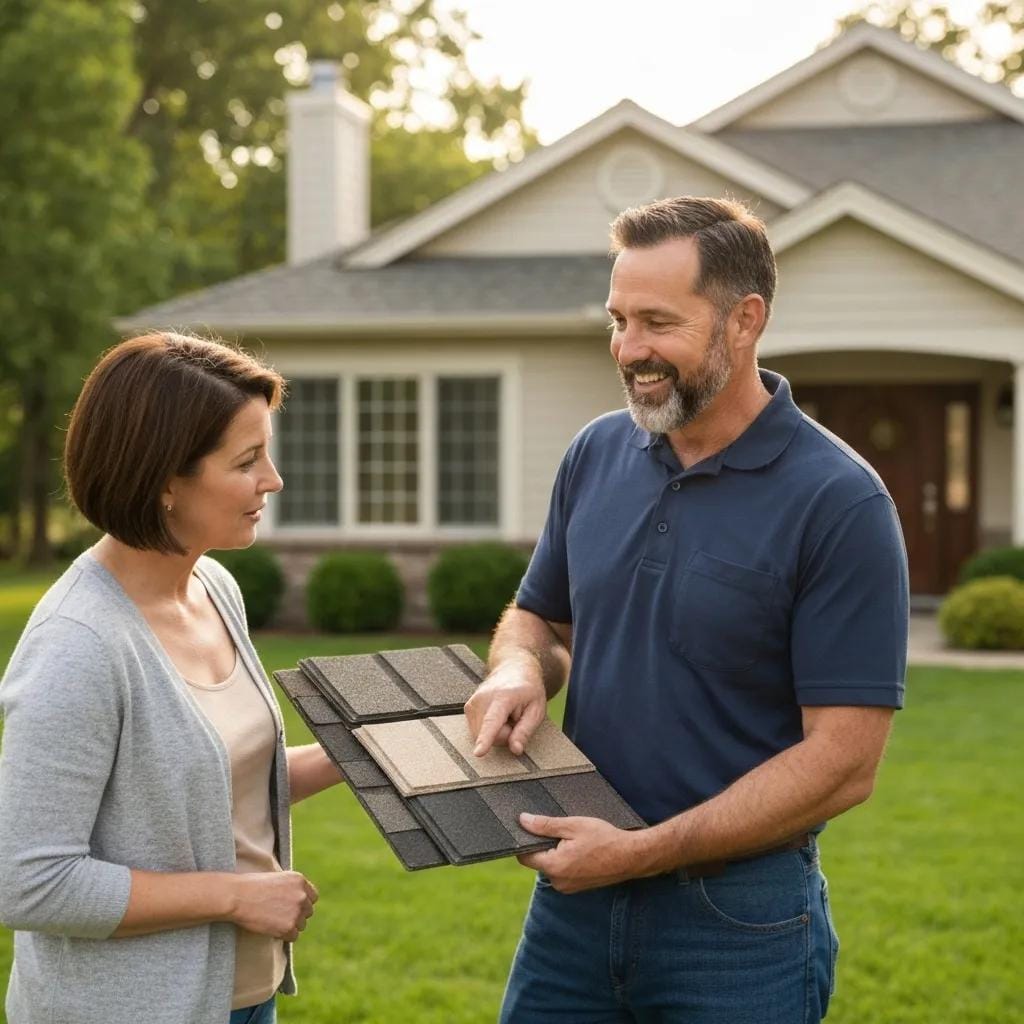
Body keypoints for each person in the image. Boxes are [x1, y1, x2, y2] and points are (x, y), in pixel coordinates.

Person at [466, 196, 909, 1023]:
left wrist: (640, 853)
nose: (630, 350)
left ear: (744, 321)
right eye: (618, 318)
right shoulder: (596, 452)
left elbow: (845, 763)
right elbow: (541, 618)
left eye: (658, 323)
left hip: (737, 927)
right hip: (572, 910)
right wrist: (520, 668)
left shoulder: (840, 502)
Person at [0, 333, 344, 1024]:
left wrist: (363, 750)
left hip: (243, 999)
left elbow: (217, 781)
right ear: (163, 481)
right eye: (247, 461)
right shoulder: (79, 647)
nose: (272, 480)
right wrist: (236, 895)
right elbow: (27, 882)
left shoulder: (214, 587)